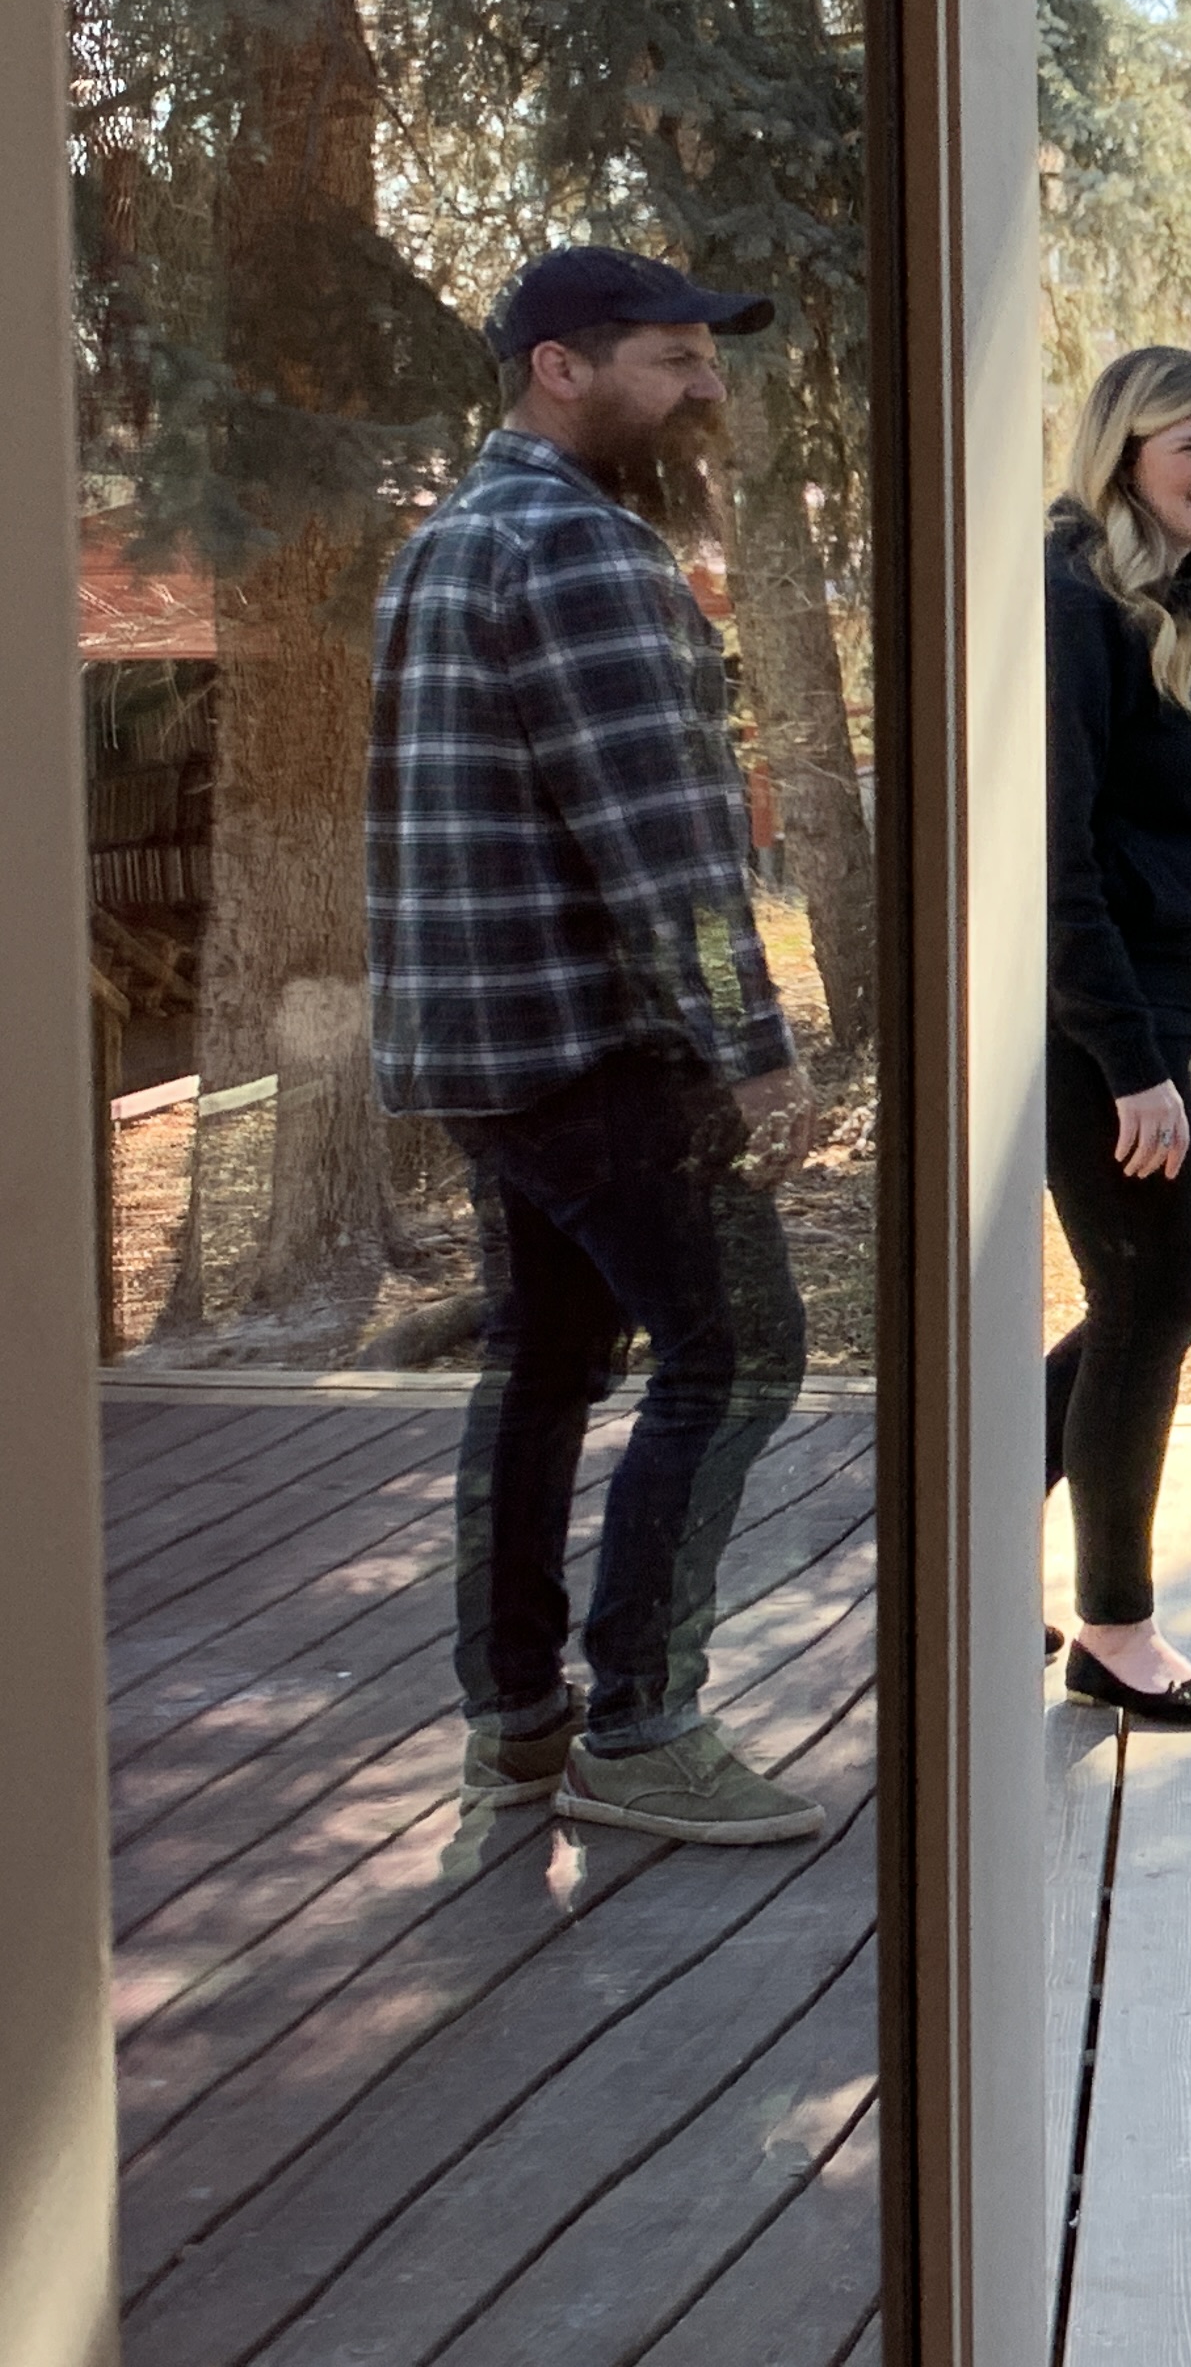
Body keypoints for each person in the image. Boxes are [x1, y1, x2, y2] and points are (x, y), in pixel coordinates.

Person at [371, 244, 823, 1848]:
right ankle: (643, 1723)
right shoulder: (585, 556)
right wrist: (754, 1051)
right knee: (740, 1352)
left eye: (710, 356)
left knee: (547, 1364)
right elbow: (676, 854)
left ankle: (514, 1726)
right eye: (674, 358)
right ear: (562, 366)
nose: (707, 385)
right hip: (600, 1055)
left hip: (482, 1056)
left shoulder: (448, 542)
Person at [1045, 344, 1191, 1732]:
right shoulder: (1076, 602)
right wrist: (1131, 1057)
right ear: (1124, 452)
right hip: (1105, 1019)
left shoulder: (1176, 594)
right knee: (1145, 1305)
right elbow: (1057, 852)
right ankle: (1115, 1633)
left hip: (1181, 997)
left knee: (1190, 1298)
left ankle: (952, 1524)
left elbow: (1186, 815)